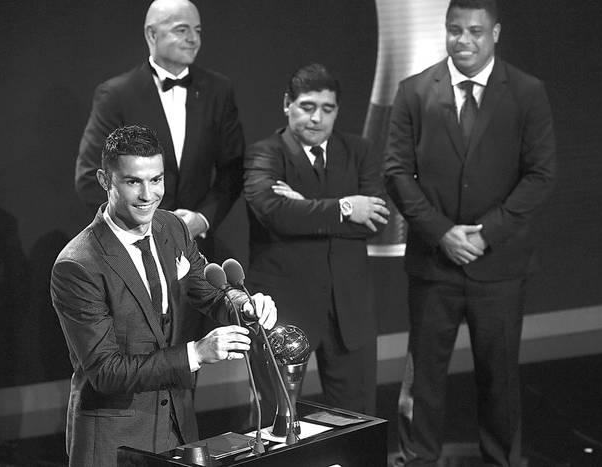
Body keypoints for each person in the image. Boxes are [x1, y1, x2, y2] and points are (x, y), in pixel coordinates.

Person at [384, 0, 556, 465]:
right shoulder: (414, 91)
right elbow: (396, 173)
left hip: (500, 267)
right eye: (455, 30)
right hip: (433, 266)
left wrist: (485, 234)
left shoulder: (526, 91)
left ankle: (502, 461)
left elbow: (541, 174)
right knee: (423, 383)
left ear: (495, 33)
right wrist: (442, 233)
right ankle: (417, 461)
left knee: (500, 381)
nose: (464, 41)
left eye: (475, 31)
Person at [52, 125, 276, 467]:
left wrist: (245, 306)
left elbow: (209, 291)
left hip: (179, 432)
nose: (147, 195)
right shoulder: (78, 265)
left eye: (156, 180)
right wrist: (196, 353)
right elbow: (106, 372)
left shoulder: (172, 227)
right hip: (115, 446)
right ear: (104, 180)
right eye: (133, 182)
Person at [244, 63, 389, 417]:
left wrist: (303, 207)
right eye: (307, 106)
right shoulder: (265, 153)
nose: (317, 118)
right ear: (287, 104)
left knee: (356, 425)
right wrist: (344, 207)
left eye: (327, 109)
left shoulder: (360, 150)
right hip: (285, 312)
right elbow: (275, 214)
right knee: (278, 422)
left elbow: (375, 222)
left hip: (348, 312)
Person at [75, 0, 244, 261]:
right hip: (131, 251)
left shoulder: (219, 90)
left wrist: (202, 219)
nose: (193, 39)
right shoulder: (116, 94)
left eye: (197, 31)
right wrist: (147, 224)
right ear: (151, 34)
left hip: (197, 250)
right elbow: (90, 176)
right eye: (182, 30)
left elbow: (232, 169)